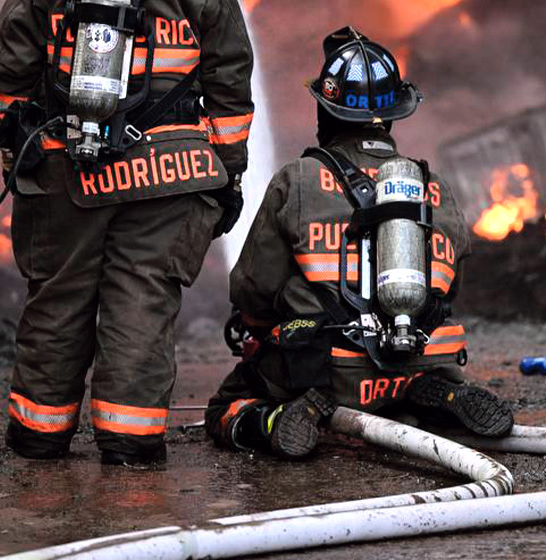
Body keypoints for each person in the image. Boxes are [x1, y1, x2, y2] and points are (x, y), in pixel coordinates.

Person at [0, 0, 253, 466]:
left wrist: (20, 152)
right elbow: (230, 94)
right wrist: (228, 174)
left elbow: (8, 79)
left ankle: (40, 434)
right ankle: (131, 440)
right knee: (143, 302)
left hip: (69, 171)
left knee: (59, 297)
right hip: (170, 181)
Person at [205, 27, 511, 458]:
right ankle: (432, 395)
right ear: (394, 114)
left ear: (325, 111)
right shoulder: (433, 187)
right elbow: (450, 289)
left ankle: (283, 417)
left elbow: (253, 287)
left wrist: (263, 332)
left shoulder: (298, 179)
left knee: (227, 404)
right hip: (419, 358)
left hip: (331, 370)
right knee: (412, 388)